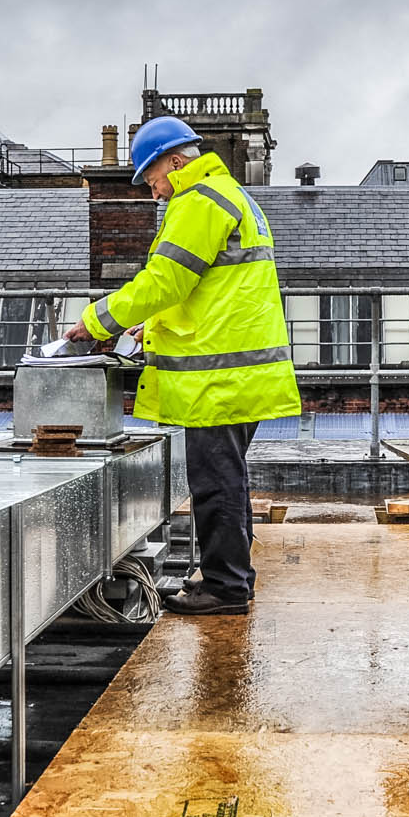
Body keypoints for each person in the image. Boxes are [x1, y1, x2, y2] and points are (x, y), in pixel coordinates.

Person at [64, 115, 300, 615]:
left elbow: (164, 283)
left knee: (216, 484)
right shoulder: (230, 195)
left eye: (152, 180)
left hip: (217, 376)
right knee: (226, 479)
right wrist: (152, 329)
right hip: (238, 369)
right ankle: (225, 576)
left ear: (174, 162)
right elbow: (210, 289)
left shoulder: (198, 202)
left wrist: (96, 320)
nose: (153, 194)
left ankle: (226, 588)